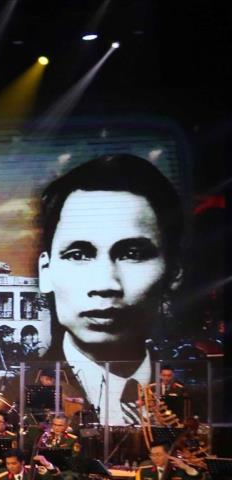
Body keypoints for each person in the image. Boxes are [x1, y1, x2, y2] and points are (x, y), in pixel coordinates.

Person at [37, 155, 186, 425]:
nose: (105, 284)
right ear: (45, 271)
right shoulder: (26, 388)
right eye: (78, 255)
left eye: (132, 254)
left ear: (173, 272)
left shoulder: (184, 394)